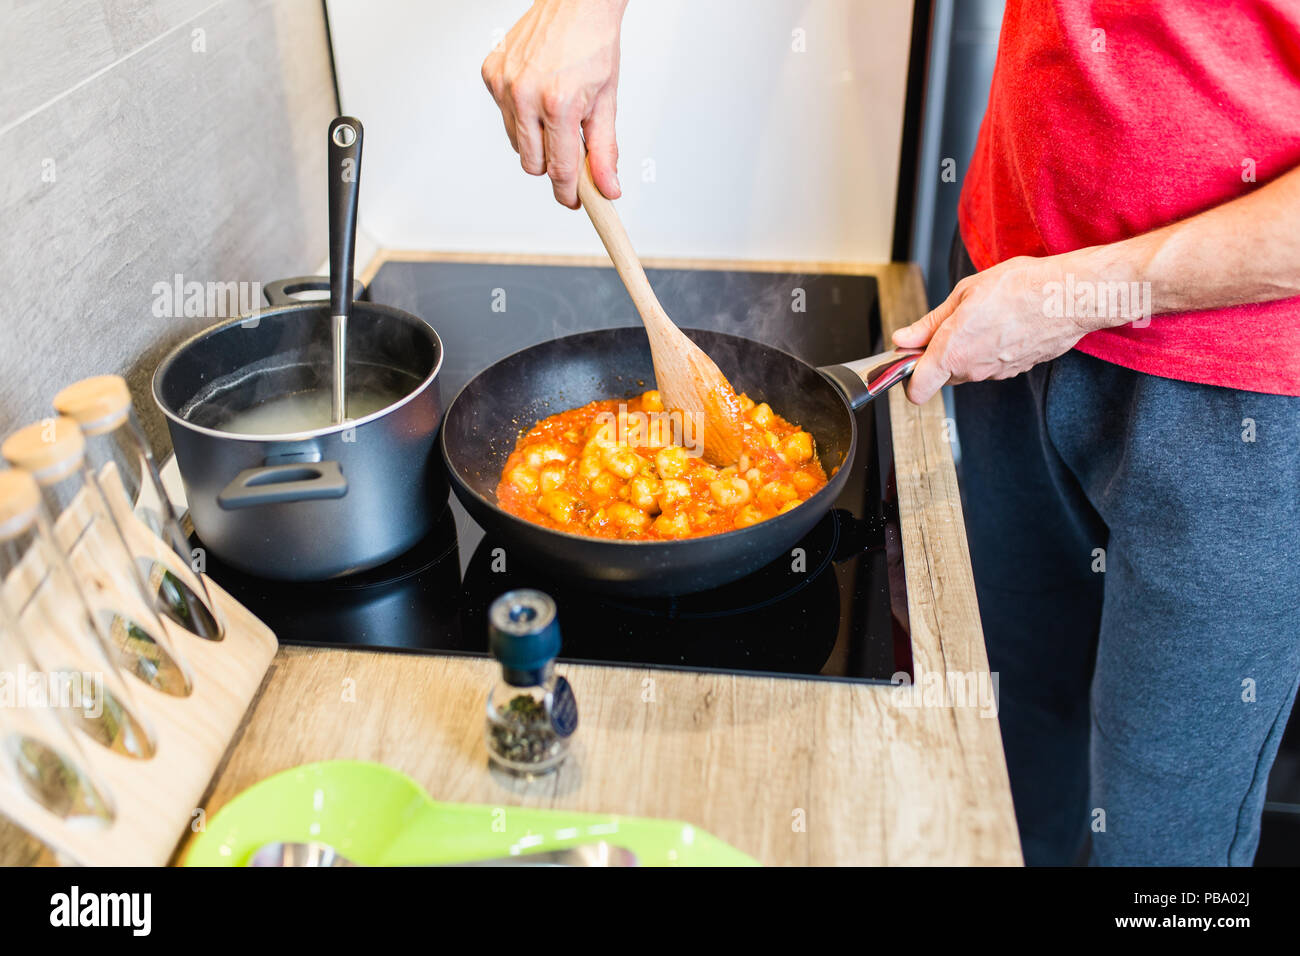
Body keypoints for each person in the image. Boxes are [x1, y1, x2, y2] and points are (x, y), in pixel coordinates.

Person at [482, 0, 1300, 866]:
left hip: (1236, 403)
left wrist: (1081, 295)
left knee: (1163, 846)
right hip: (1002, 303)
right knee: (1016, 752)